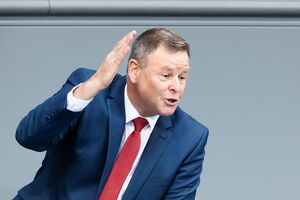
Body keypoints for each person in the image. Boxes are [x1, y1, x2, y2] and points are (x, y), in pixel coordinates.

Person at [14, 28, 209, 200]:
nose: (177, 87)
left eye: (182, 77)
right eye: (166, 76)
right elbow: (29, 138)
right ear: (134, 70)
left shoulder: (190, 137)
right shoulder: (89, 92)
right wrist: (93, 85)